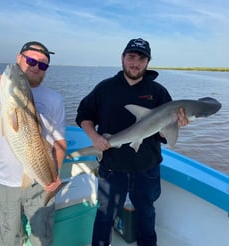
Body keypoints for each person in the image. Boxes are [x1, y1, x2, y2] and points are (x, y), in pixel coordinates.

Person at [75, 38, 189, 246]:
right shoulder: (105, 88)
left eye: (141, 58)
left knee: (146, 218)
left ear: (148, 62)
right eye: (131, 57)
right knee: (104, 218)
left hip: (146, 168)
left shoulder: (158, 92)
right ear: (123, 58)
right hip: (112, 167)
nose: (135, 63)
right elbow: (84, 114)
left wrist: (175, 125)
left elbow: (163, 136)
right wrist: (95, 138)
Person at [0, 41, 66, 246]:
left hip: (39, 182)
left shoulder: (54, 99)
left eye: (43, 65)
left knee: (42, 238)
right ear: (19, 58)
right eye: (30, 60)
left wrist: (55, 175)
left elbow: (59, 141)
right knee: (7, 240)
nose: (36, 67)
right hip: (4, 183)